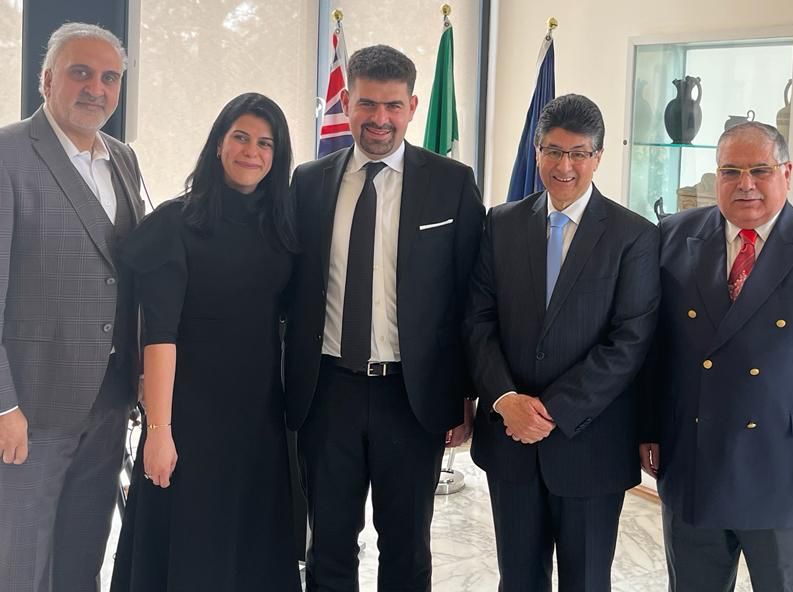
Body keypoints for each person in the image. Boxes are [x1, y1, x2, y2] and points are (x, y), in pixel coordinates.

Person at [642, 121, 793, 592]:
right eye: (730, 171)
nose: (745, 184)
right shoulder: (673, 235)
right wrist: (648, 428)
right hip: (695, 461)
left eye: (760, 170)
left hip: (791, 470)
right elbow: (656, 348)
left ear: (786, 173)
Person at [285, 44, 484, 591]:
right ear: (346, 103)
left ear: (413, 106)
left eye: (393, 105)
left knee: (406, 546)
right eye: (368, 104)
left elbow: (470, 297)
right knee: (328, 544)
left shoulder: (451, 183)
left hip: (411, 397)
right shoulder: (308, 182)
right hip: (327, 393)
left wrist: (464, 395)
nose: (380, 119)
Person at [464, 94, 660, 592]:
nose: (564, 166)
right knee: (517, 580)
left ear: (598, 156)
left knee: (586, 582)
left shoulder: (634, 236)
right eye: (553, 151)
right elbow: (478, 321)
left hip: (590, 446)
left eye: (578, 153)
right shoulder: (501, 223)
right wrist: (505, 400)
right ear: (537, 152)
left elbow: (629, 342)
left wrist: (549, 412)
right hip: (510, 443)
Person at [110, 93, 300, 592]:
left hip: (258, 420)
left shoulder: (281, 227)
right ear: (219, 143)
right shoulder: (176, 224)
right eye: (241, 137)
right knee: (191, 548)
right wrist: (159, 430)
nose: (252, 151)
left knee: (250, 550)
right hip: (188, 420)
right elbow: (160, 334)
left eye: (265, 143)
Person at [0, 22, 144, 592]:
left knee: (83, 559)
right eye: (80, 72)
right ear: (46, 80)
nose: (96, 88)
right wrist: (3, 406)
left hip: (109, 404)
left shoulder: (123, 159)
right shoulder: (8, 155)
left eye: (110, 78)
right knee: (20, 565)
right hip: (30, 411)